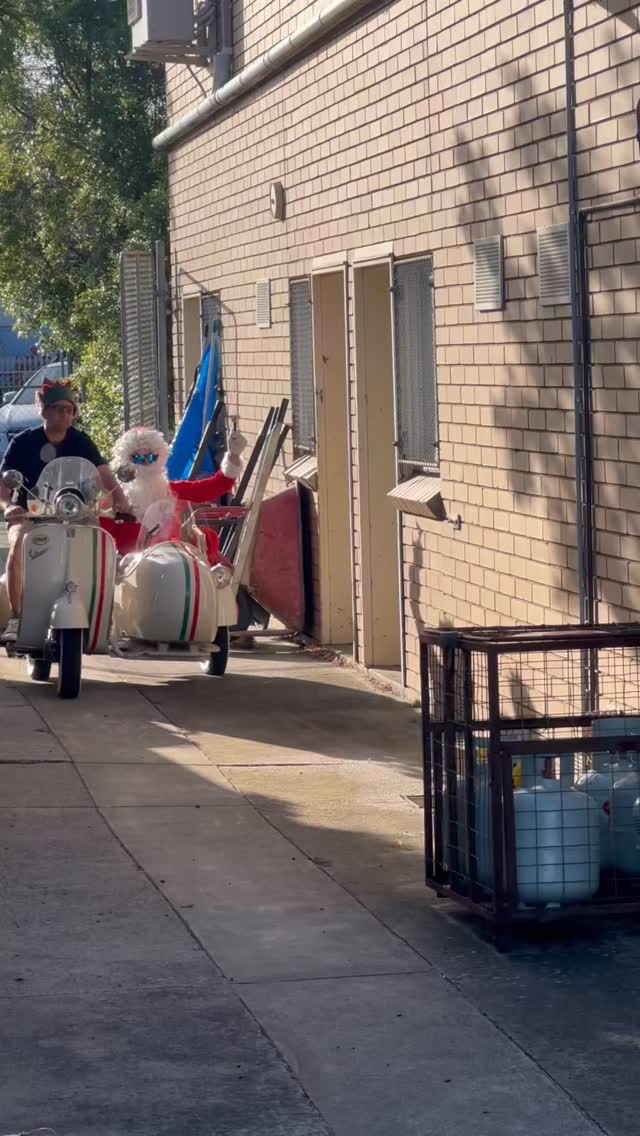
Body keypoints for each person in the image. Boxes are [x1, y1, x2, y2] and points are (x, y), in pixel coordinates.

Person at [0, 379, 129, 641]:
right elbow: (4, 480)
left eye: (69, 409)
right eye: (58, 408)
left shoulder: (81, 441)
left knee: (103, 548)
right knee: (18, 545)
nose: (64, 414)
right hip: (32, 514)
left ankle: (106, 616)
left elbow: (104, 473)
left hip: (75, 514)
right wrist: (9, 505)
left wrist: (120, 498)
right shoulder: (24, 442)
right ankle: (17, 617)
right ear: (44, 410)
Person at [107, 425, 247, 561]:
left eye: (150, 458)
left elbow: (214, 486)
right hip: (125, 573)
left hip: (172, 567)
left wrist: (233, 455)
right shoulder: (116, 500)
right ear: (126, 460)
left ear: (159, 457)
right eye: (137, 458)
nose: (144, 463)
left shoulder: (172, 493)